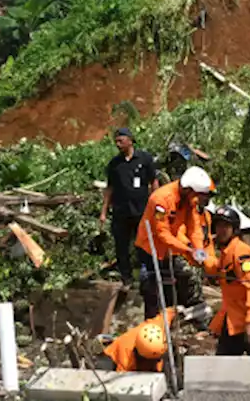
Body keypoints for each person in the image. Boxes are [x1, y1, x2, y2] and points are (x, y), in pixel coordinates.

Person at [134, 165, 213, 320]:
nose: (197, 199)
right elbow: (161, 233)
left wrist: (198, 250)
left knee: (186, 275)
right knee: (151, 288)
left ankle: (189, 314)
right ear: (188, 190)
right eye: (197, 195)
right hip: (150, 248)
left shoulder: (189, 201)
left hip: (171, 248)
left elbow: (194, 228)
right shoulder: (161, 200)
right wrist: (187, 250)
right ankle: (151, 324)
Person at [203, 206, 250, 356]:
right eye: (218, 226)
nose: (221, 230)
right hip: (234, 321)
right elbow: (214, 269)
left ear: (234, 229)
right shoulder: (226, 253)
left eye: (226, 226)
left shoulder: (242, 253)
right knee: (224, 366)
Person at [100, 127, 159, 288]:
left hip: (141, 211)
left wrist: (156, 204)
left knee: (143, 244)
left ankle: (147, 275)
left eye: (121, 141)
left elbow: (153, 181)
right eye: (116, 142)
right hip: (121, 212)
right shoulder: (114, 164)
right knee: (121, 246)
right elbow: (109, 188)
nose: (118, 144)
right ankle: (126, 278)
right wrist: (104, 211)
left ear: (130, 140)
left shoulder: (144, 159)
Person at [98, 308, 176, 372]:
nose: (151, 363)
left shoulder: (159, 325)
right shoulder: (126, 358)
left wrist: (178, 310)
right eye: (148, 361)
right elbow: (123, 382)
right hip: (113, 358)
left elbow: (167, 314)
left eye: (155, 360)